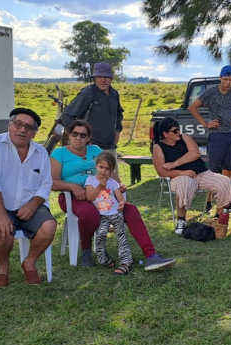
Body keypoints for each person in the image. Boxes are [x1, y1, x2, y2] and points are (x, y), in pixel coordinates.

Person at [50, 120, 176, 271]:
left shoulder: (95, 150)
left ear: (88, 137)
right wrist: (72, 186)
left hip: (105, 195)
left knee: (131, 210)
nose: (78, 137)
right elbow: (52, 182)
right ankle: (86, 250)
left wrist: (118, 185)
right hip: (75, 197)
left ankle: (151, 256)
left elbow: (113, 174)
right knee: (89, 213)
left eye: (83, 135)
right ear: (69, 135)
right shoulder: (60, 153)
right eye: (75, 133)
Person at [0, 108, 57, 287]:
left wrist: (33, 205)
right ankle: (3, 267)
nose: (22, 130)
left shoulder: (41, 153)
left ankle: (29, 263)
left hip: (30, 205)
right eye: (18, 124)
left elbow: (46, 185)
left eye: (29, 127)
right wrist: (1, 215)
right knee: (2, 230)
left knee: (49, 226)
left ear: (34, 132)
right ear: (10, 125)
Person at [153, 117, 231, 235]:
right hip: (179, 177)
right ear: (165, 134)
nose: (178, 132)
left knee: (224, 181)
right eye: (175, 131)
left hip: (201, 173)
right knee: (184, 183)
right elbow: (161, 172)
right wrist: (182, 172)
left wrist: (174, 164)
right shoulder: (158, 148)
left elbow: (195, 153)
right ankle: (181, 220)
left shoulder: (185, 137)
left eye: (178, 129)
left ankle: (219, 219)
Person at [188, 65, 231, 211]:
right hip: (216, 135)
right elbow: (192, 107)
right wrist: (206, 124)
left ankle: (225, 202)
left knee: (228, 169)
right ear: (220, 78)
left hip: (230, 134)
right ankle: (209, 201)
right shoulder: (211, 92)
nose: (228, 83)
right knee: (213, 171)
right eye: (225, 79)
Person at [60, 62, 125, 180]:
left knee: (114, 185)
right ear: (94, 78)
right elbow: (67, 116)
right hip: (91, 150)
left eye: (106, 77)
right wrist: (80, 138)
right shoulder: (88, 93)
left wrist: (117, 130)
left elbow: (119, 113)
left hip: (110, 147)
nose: (103, 80)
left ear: (111, 78)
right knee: (95, 186)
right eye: (99, 77)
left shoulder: (114, 94)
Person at [83, 152, 133, 275]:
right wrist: (100, 187)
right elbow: (89, 197)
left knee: (121, 236)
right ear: (96, 166)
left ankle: (125, 261)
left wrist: (122, 202)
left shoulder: (112, 182)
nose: (104, 171)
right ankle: (103, 259)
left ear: (112, 170)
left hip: (115, 213)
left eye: (107, 169)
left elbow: (120, 197)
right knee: (100, 235)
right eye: (101, 167)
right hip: (101, 215)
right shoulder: (90, 180)